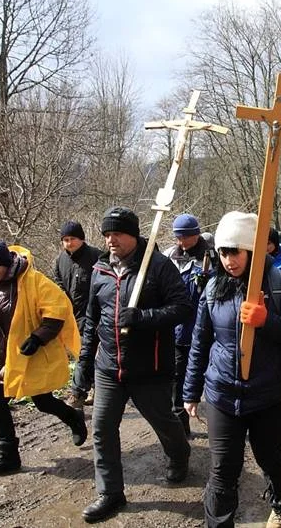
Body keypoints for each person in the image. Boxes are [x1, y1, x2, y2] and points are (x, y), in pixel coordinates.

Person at [183, 211, 281, 528]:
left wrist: (266, 321)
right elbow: (200, 342)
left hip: (270, 394)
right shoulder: (213, 289)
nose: (229, 260)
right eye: (223, 252)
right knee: (223, 469)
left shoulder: (278, 281)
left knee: (268, 456)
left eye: (235, 251)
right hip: (223, 394)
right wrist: (190, 392)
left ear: (251, 251)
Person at [72, 207, 194, 523]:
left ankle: (179, 456)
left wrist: (144, 317)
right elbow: (91, 321)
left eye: (118, 234)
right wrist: (84, 364)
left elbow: (182, 308)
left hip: (149, 368)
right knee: (102, 428)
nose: (111, 240)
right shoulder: (100, 270)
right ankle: (110, 493)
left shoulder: (157, 266)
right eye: (107, 234)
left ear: (133, 234)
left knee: (164, 422)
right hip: (109, 367)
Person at [0, 239, 86, 478]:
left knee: (43, 402)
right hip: (0, 354)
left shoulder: (36, 282)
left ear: (5, 265)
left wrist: (38, 338)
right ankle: (9, 457)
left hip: (30, 354)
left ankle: (73, 417)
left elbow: (57, 312)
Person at [163, 213, 217, 438]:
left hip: (204, 330)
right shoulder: (169, 257)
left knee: (207, 375)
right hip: (176, 330)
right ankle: (181, 427)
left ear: (195, 234)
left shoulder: (211, 258)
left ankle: (220, 420)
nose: (180, 242)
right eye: (178, 237)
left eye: (185, 237)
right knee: (177, 377)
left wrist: (210, 281)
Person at [53, 220, 103, 408]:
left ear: (81, 238)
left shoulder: (97, 257)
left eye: (72, 238)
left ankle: (80, 394)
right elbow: (57, 283)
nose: (69, 243)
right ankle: (87, 389)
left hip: (96, 316)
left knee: (93, 355)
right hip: (73, 318)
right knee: (83, 355)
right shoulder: (60, 260)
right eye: (65, 239)